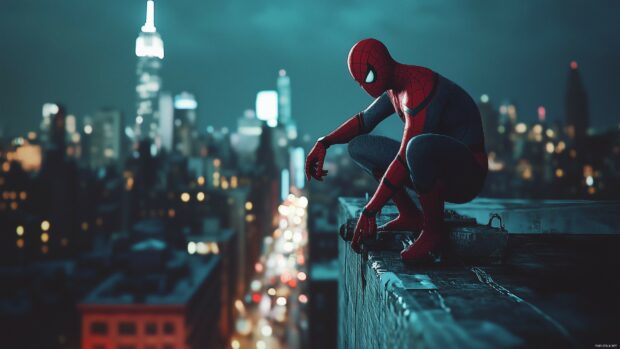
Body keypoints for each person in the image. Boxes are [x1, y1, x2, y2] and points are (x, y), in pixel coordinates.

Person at [305, 38, 488, 262]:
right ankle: (410, 215)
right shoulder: (393, 90)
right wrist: (324, 142)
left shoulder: (418, 87)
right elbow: (363, 121)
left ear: (382, 65)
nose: (366, 87)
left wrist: (370, 210)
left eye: (369, 77)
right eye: (360, 82)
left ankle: (433, 231)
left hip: (466, 175)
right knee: (360, 147)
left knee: (416, 147)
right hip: (433, 170)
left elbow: (404, 157)